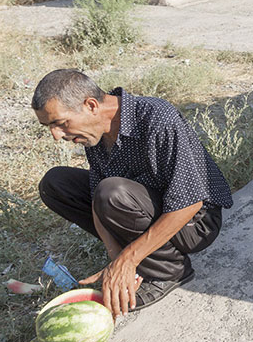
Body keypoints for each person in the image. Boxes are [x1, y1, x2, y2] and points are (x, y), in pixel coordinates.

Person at [32, 69, 233, 318]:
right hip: (139, 204)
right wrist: (115, 258)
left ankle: (168, 271)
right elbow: (96, 197)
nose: (57, 135)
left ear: (91, 105)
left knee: (112, 192)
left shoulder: (158, 118)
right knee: (55, 183)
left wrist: (127, 260)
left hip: (195, 223)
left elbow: (190, 203)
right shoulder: (94, 132)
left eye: (61, 123)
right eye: (49, 127)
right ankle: (144, 260)